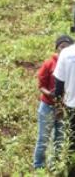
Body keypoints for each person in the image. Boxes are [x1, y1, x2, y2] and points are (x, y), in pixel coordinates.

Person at [33, 35, 73, 170]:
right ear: (56, 48)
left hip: (64, 107)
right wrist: (50, 94)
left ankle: (55, 165)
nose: (64, 49)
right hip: (47, 106)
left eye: (67, 47)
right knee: (43, 138)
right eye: (61, 47)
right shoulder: (49, 63)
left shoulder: (71, 62)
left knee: (60, 138)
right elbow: (41, 85)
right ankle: (38, 166)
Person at [54, 36, 75, 172]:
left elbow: (59, 86)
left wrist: (58, 106)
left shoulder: (66, 54)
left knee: (72, 144)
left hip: (72, 106)